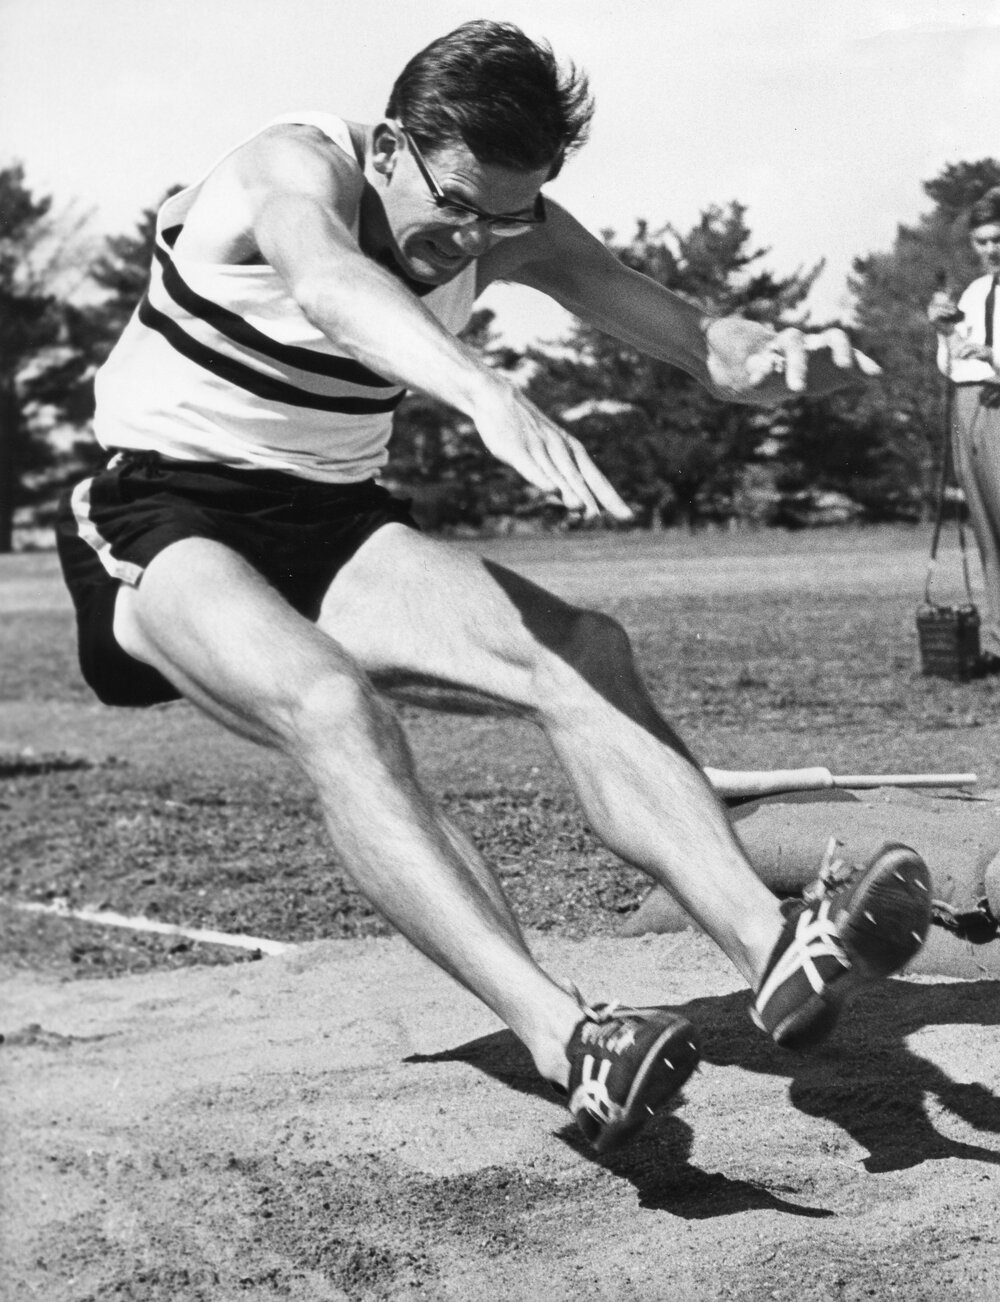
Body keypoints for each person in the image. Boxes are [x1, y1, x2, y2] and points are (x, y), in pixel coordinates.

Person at [56, 20, 932, 1156]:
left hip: (332, 523)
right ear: (388, 149)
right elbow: (328, 283)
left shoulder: (512, 226)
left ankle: (775, 952)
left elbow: (688, 338)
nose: (474, 240)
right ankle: (568, 1040)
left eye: (507, 216)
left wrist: (763, 362)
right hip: (160, 512)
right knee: (333, 706)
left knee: (583, 651)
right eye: (459, 206)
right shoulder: (289, 169)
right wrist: (484, 392)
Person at [928, 186, 1000, 657]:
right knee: (987, 530)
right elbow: (952, 364)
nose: (990, 250)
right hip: (968, 404)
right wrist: (945, 333)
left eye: (998, 239)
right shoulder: (975, 293)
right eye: (982, 241)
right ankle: (998, 640)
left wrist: (992, 355)